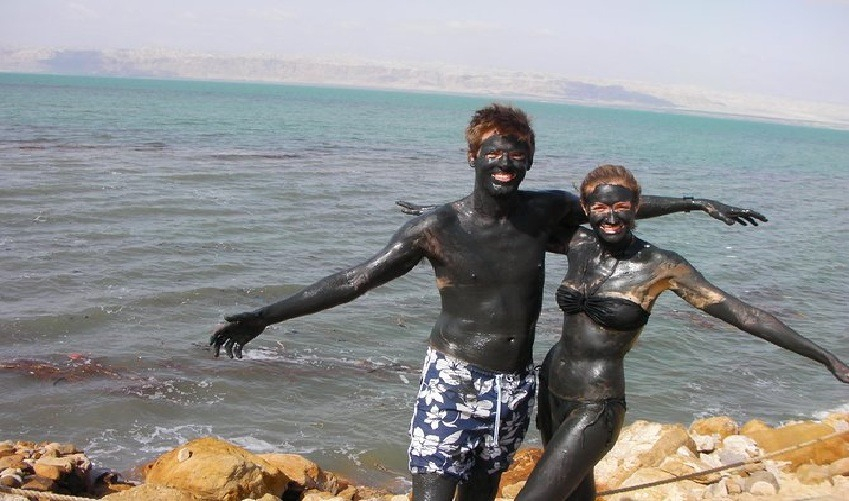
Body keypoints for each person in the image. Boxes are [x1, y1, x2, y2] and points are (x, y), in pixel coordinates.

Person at [209, 104, 766, 501]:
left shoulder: (543, 211)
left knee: (482, 491)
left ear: (528, 161)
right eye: (495, 153)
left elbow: (612, 208)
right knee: (432, 489)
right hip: (453, 377)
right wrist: (265, 316)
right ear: (473, 156)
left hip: (516, 384)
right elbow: (356, 279)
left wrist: (695, 203)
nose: (506, 163)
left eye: (517, 155)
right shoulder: (437, 226)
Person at [513, 165, 849, 501]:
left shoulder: (661, 265)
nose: (611, 217)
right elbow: (512, 221)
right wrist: (697, 203)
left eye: (623, 207)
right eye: (599, 208)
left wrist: (826, 358)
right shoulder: (578, 242)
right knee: (576, 494)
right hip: (552, 387)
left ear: (636, 207)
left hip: (596, 403)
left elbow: (746, 315)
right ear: (586, 210)